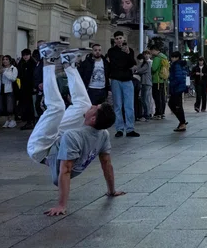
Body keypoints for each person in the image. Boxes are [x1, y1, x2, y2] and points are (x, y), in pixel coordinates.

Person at [27, 42, 124, 216]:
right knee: (82, 104)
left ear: (93, 118)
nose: (93, 106)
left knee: (56, 108)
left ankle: (47, 59)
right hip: (58, 139)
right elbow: (107, 164)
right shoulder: (102, 134)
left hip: (40, 148)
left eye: (96, 108)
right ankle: (68, 63)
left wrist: (61, 205)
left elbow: (65, 170)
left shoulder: (73, 137)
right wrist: (111, 190)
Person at [107, 33, 139, 138]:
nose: (119, 40)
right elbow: (115, 64)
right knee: (117, 106)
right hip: (116, 80)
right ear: (114, 41)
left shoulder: (130, 50)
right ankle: (119, 129)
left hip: (127, 80)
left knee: (129, 106)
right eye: (116, 39)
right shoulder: (111, 51)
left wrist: (128, 53)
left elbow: (132, 64)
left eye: (120, 38)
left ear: (123, 39)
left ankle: (130, 129)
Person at [167, 51, 190, 132]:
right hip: (179, 88)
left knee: (174, 105)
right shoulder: (181, 64)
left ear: (177, 58)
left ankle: (182, 122)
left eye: (173, 57)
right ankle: (182, 122)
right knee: (177, 105)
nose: (172, 59)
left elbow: (178, 77)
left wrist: (172, 81)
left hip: (176, 88)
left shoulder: (176, 65)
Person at [0, 55, 19, 129]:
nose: (5, 61)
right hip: (1, 89)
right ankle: (8, 120)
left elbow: (13, 78)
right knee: (3, 106)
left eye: (6, 59)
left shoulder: (13, 69)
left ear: (9, 61)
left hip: (9, 89)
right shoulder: (1, 69)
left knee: (10, 106)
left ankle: (12, 120)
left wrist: (4, 72)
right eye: (3, 59)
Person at [16, 49, 36, 129]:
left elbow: (33, 76)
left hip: (30, 87)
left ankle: (30, 121)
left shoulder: (32, 63)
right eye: (24, 55)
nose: (25, 57)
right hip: (24, 87)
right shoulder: (21, 63)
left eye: (27, 55)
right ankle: (28, 121)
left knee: (30, 105)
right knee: (25, 105)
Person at [149, 44, 168, 120]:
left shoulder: (157, 58)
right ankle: (162, 113)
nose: (151, 52)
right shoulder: (164, 57)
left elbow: (153, 68)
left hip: (156, 80)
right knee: (162, 97)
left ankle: (158, 113)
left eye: (151, 51)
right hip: (162, 80)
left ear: (154, 50)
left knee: (157, 97)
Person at [135, 52, 153, 122]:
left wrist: (137, 67)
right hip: (145, 83)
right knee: (145, 99)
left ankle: (146, 115)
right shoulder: (145, 64)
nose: (139, 62)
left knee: (144, 99)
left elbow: (139, 70)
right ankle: (147, 114)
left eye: (139, 60)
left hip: (146, 83)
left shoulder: (146, 64)